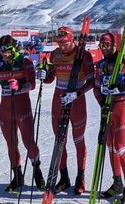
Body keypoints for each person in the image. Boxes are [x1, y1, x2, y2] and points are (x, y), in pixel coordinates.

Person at [37, 26, 95, 195]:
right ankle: (64, 178)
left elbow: (91, 82)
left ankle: (80, 177)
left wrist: (77, 93)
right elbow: (50, 78)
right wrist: (43, 75)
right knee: (59, 140)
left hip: (76, 100)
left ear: (72, 40)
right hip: (58, 99)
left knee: (78, 140)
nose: (62, 46)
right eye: (59, 43)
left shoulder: (84, 55)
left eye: (65, 43)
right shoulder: (55, 54)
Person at [0, 40, 45, 193]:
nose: (6, 56)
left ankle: (37, 171)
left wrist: (20, 86)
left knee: (28, 142)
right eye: (3, 53)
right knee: (11, 143)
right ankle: (17, 176)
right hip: (5, 108)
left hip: (22, 105)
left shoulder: (25, 61)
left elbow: (32, 84)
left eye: (9, 53)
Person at [93, 33, 125, 204]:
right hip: (108, 107)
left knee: (120, 148)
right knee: (110, 146)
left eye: (106, 45)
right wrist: (102, 103)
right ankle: (117, 183)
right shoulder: (100, 65)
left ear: (115, 45)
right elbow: (96, 87)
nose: (103, 48)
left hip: (122, 106)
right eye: (101, 45)